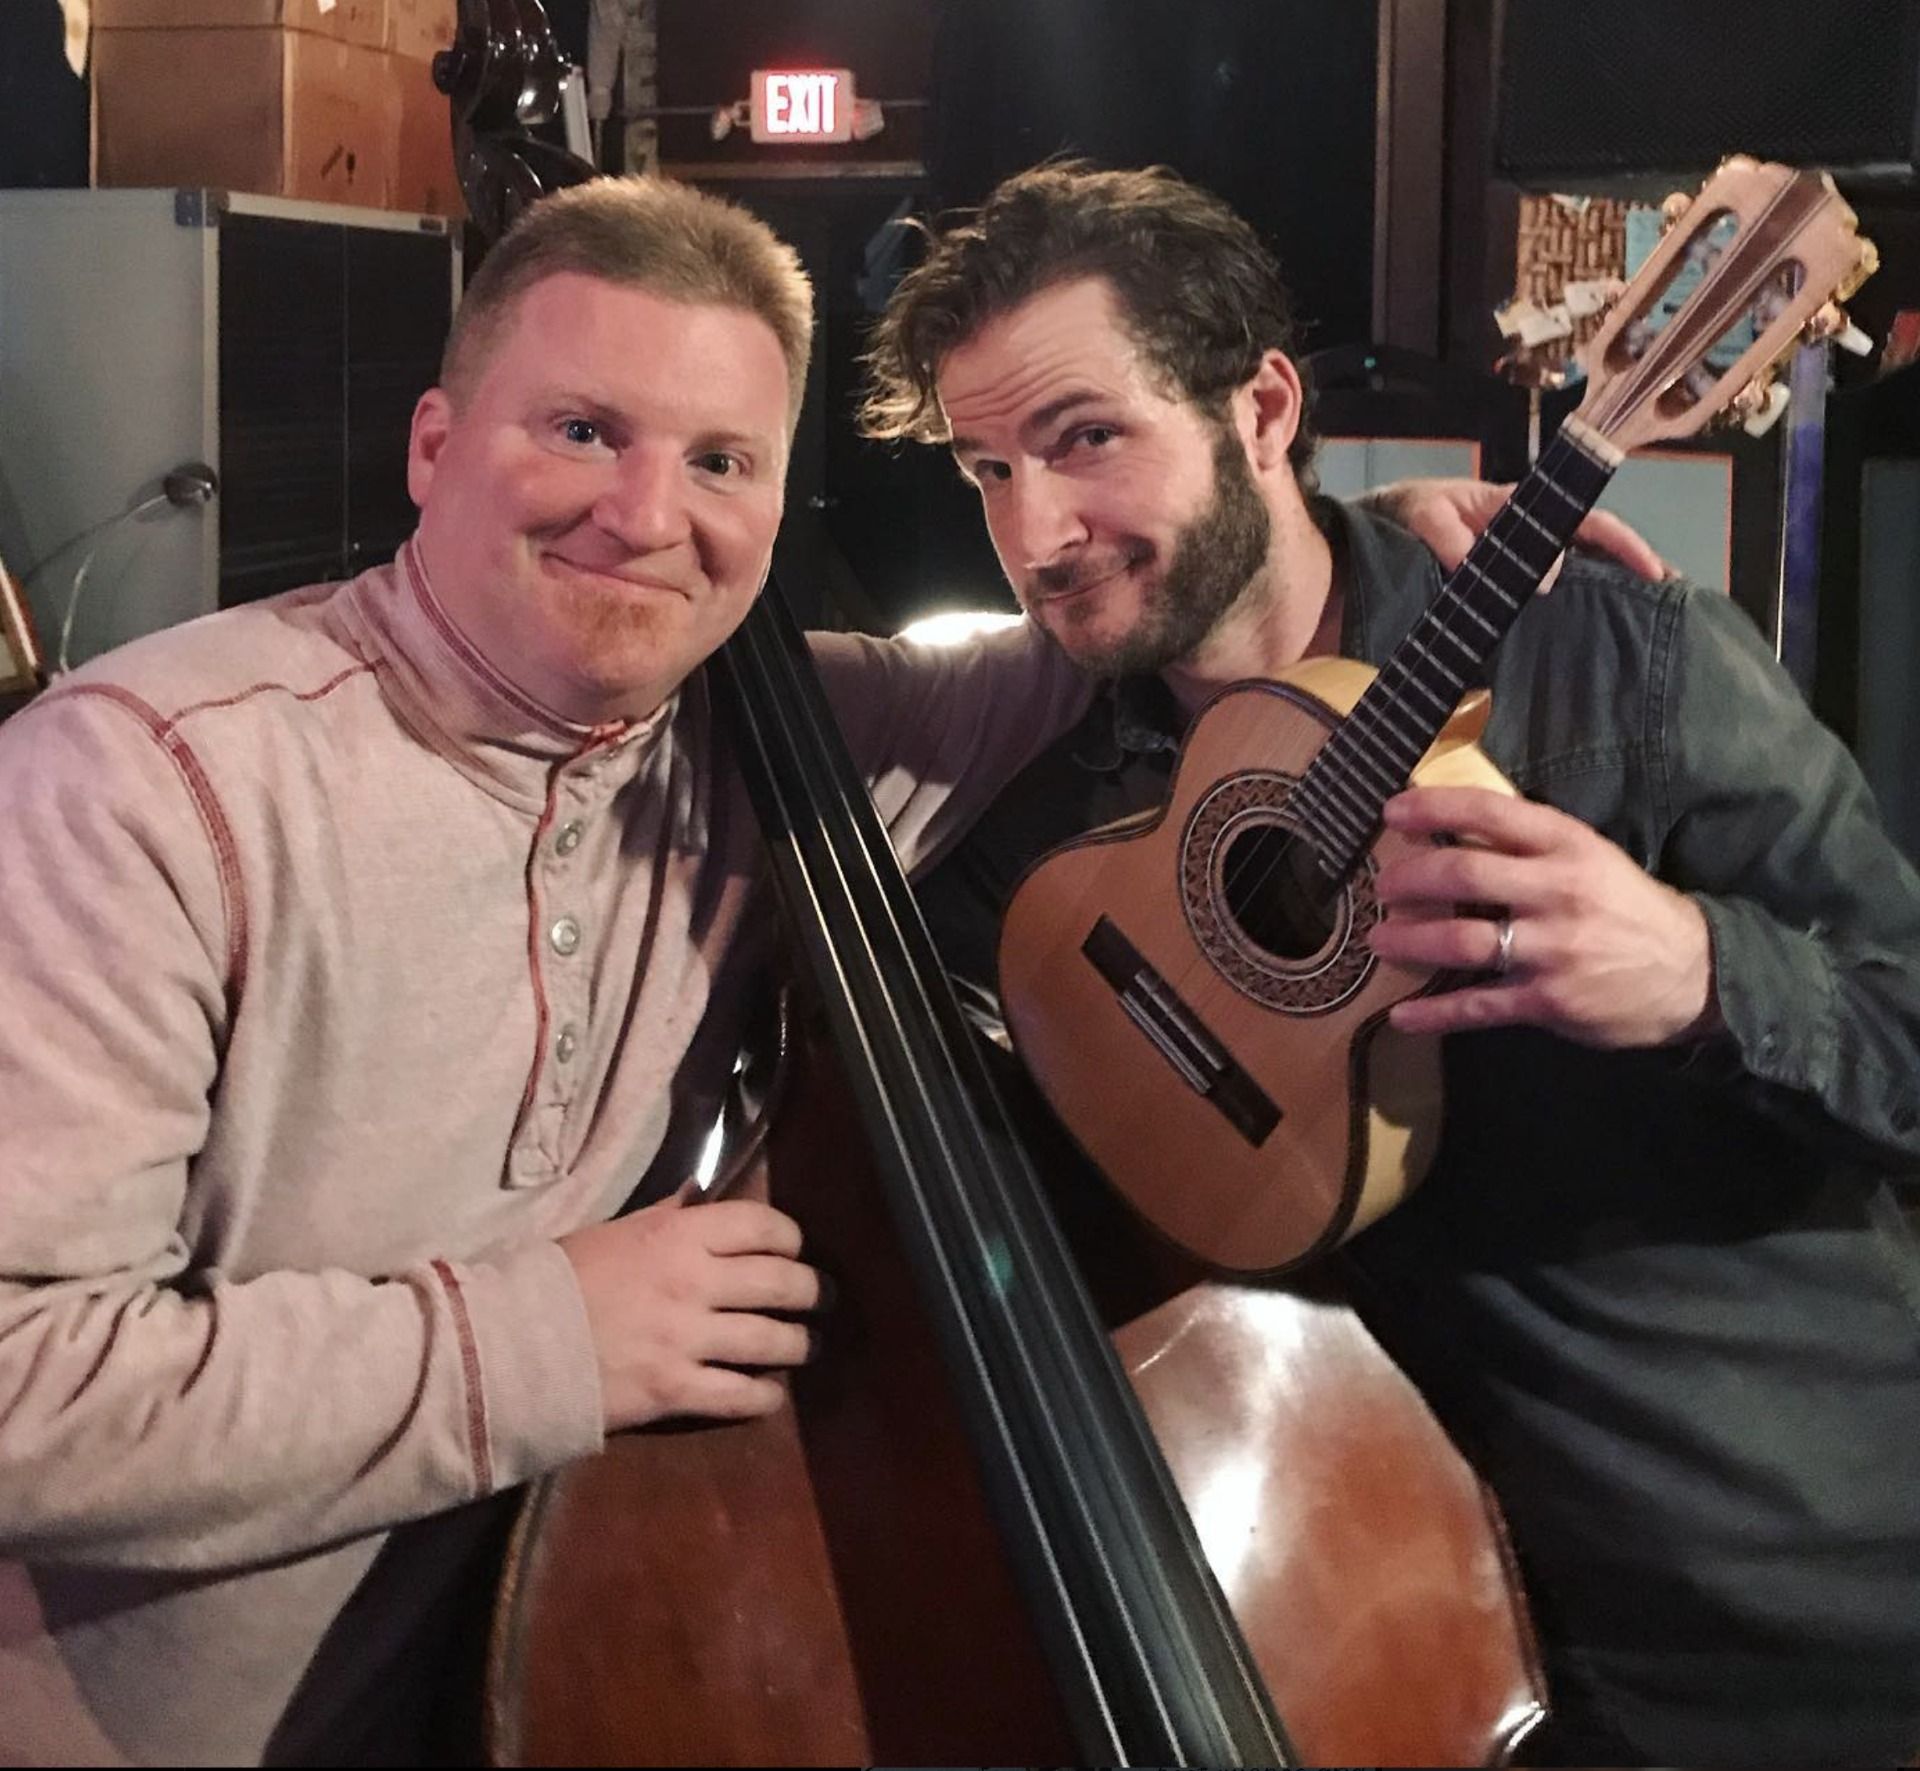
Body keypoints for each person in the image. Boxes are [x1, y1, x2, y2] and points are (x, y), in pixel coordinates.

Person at [0, 167, 1565, 1767]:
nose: (648, 515)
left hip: (547, 1676)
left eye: (723, 461)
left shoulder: (782, 734)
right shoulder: (135, 788)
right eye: (583, 429)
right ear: (431, 445)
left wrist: (1353, 529)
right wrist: (546, 1344)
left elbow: (1123, 615)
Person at [861, 161, 1920, 1766]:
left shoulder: (1622, 669)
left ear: (1265, 407)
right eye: (987, 469)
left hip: (1751, 1607)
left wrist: (1706, 972)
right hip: (1352, 1625)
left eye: (1085, 439)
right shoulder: (1088, 794)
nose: (1037, 534)